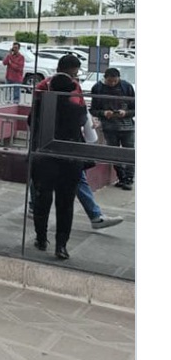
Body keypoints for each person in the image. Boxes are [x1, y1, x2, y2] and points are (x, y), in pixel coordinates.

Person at [32, 54, 121, 231]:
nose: (75, 76)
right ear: (66, 70)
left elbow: (80, 109)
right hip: (60, 143)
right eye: (74, 72)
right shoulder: (48, 87)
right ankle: (93, 216)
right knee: (64, 182)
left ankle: (93, 215)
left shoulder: (56, 86)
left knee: (61, 180)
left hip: (62, 141)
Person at [31, 73, 93, 259]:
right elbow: (85, 127)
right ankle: (61, 246)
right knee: (65, 205)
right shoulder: (78, 110)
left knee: (42, 201)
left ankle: (41, 238)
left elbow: (30, 125)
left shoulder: (40, 106)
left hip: (45, 160)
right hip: (69, 161)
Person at [90, 67, 134, 190]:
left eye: (115, 81)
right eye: (110, 81)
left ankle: (129, 178)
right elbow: (93, 109)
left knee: (128, 152)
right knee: (113, 153)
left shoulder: (127, 87)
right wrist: (104, 113)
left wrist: (125, 113)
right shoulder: (98, 88)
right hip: (109, 126)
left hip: (127, 126)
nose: (113, 84)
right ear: (105, 78)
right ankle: (121, 177)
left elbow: (134, 108)